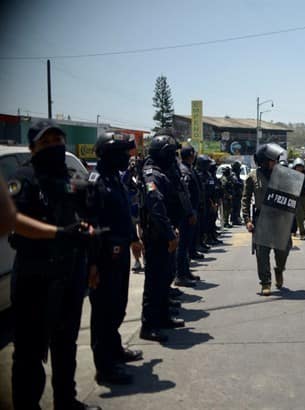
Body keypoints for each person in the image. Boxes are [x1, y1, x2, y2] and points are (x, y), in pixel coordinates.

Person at [8, 119, 101, 410]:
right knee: (29, 353)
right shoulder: (24, 178)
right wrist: (59, 234)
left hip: (70, 271)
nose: (54, 147)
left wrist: (91, 260)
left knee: (65, 344)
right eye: (46, 143)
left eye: (58, 141)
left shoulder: (71, 178)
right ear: (32, 148)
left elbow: (85, 218)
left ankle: (66, 400)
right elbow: (15, 222)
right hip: (35, 274)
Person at [86, 132, 143, 385]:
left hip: (120, 253)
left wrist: (133, 238)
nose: (126, 157)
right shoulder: (96, 182)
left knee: (118, 306)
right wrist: (93, 264)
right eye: (122, 153)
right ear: (109, 154)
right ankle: (105, 366)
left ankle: (116, 350)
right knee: (103, 312)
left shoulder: (115, 179)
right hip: (103, 256)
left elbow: (123, 213)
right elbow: (90, 224)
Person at [139, 130, 184, 343]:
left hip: (165, 233)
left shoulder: (160, 172)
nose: (174, 158)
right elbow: (156, 206)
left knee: (165, 277)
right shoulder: (151, 175)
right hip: (157, 235)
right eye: (171, 154)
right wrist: (169, 233)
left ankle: (164, 317)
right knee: (154, 280)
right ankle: (149, 325)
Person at [241, 143, 289, 295]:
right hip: (261, 218)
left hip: (280, 218)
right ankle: (265, 282)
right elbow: (245, 199)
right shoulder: (252, 176)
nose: (275, 163)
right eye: (272, 160)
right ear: (263, 160)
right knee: (262, 253)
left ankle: (279, 269)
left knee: (283, 250)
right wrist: (247, 220)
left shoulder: (282, 175)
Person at [175, 145, 202, 287]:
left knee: (187, 244)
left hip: (191, 211)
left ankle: (186, 271)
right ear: (190, 155)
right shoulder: (184, 170)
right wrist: (189, 212)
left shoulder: (188, 168)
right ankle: (180, 275)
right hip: (186, 213)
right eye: (193, 154)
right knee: (183, 245)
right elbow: (184, 195)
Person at [231, 160, 244, 225]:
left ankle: (236, 218)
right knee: (235, 207)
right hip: (235, 194)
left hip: (237, 194)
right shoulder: (233, 174)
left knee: (237, 207)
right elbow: (236, 183)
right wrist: (241, 183)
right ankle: (235, 220)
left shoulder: (236, 174)